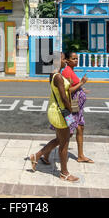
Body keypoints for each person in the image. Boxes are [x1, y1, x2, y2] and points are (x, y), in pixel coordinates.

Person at [29, 52, 80, 182]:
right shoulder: (57, 77)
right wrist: (72, 110)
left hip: (57, 110)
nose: (66, 62)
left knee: (62, 138)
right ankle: (64, 173)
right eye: (64, 60)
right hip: (61, 112)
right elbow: (63, 97)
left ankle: (37, 155)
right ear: (58, 61)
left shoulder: (54, 74)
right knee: (64, 143)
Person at [62, 52, 94, 163]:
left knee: (80, 128)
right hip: (72, 106)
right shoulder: (66, 72)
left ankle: (80, 155)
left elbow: (73, 86)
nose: (76, 60)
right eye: (73, 58)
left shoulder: (71, 70)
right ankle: (44, 153)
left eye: (77, 58)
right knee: (68, 132)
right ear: (67, 60)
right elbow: (67, 90)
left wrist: (81, 89)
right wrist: (81, 83)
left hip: (77, 108)